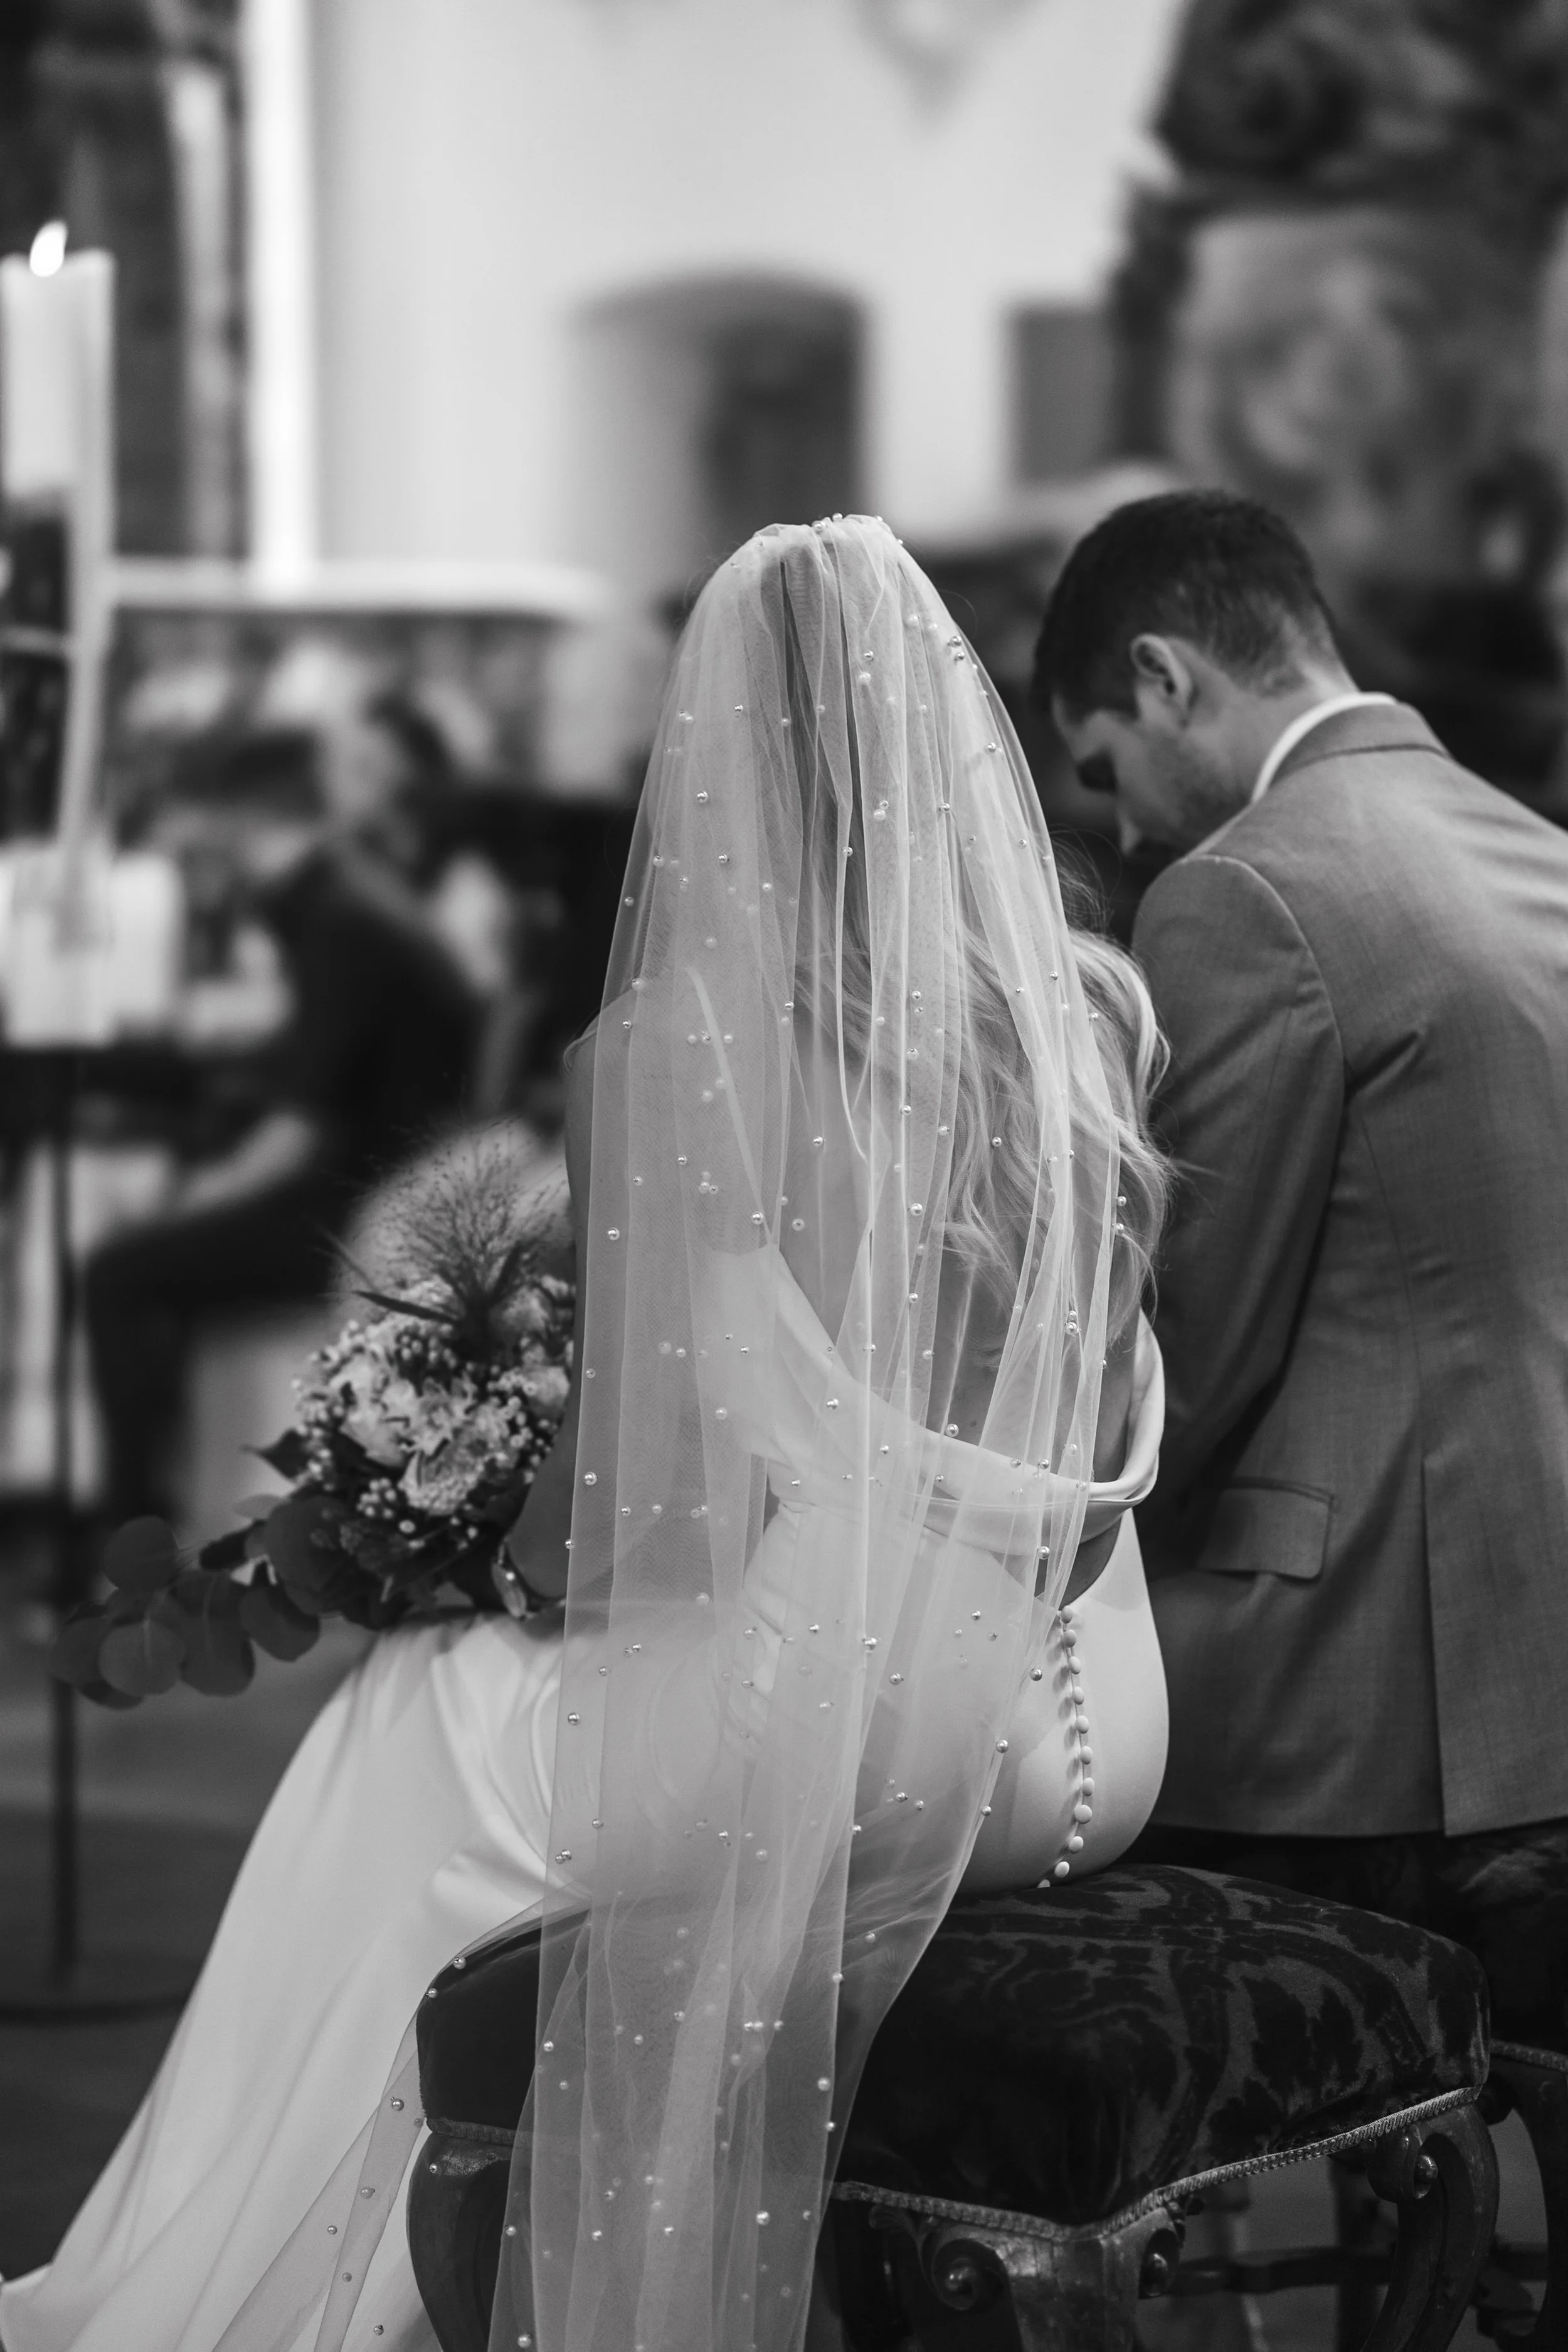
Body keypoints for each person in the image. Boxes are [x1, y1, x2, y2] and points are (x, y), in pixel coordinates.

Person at [3, 518, 1171, 2352]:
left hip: (842, 1734)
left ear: (714, 760)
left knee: (393, 1736)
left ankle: (261, 2294)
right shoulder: (1076, 1024)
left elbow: (651, 1533)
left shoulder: (674, 1051)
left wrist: (482, 1542)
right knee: (459, 1730)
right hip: (1071, 1720)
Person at [1033, 490, 1568, 2043]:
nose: (1126, 823)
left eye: (1103, 760)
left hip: (1364, 1716)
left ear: (1166, 676)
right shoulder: (1532, 848)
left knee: (987, 1820)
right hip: (1538, 1650)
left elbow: (1187, 1354)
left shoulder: (1244, 888)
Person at [83, 729, 479, 1523]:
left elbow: (295, 1134)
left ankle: (133, 1531)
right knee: (155, 1225)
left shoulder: (340, 917)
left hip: (364, 1212)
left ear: (230, 818)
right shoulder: (344, 896)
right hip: (379, 1180)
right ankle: (168, 1484)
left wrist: (181, 1205)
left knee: (118, 1272)